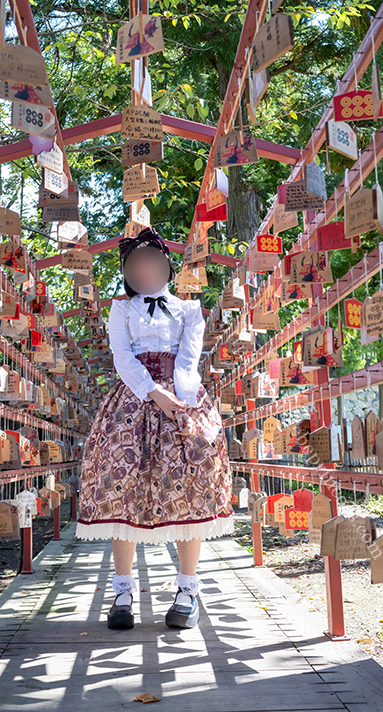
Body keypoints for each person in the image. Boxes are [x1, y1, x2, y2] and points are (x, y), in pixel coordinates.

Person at [76, 227, 233, 630]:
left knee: (190, 483)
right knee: (121, 483)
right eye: (137, 265)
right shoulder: (120, 310)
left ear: (167, 267)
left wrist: (182, 401)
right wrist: (152, 392)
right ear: (128, 272)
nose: (145, 270)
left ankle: (187, 590)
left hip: (181, 398)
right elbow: (122, 357)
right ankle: (122, 592)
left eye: (153, 262)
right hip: (133, 397)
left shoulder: (189, 310)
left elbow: (189, 358)